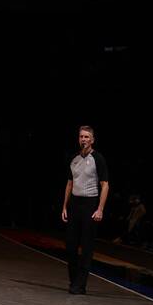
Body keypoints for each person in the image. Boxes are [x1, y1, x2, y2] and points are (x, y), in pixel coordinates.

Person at [61, 126, 109, 295]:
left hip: (89, 204)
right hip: (74, 204)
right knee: (71, 246)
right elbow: (69, 183)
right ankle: (74, 281)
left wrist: (100, 209)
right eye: (81, 136)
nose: (83, 139)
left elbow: (105, 185)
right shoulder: (73, 159)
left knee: (86, 247)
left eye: (87, 137)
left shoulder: (98, 158)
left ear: (92, 140)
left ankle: (81, 285)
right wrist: (64, 206)